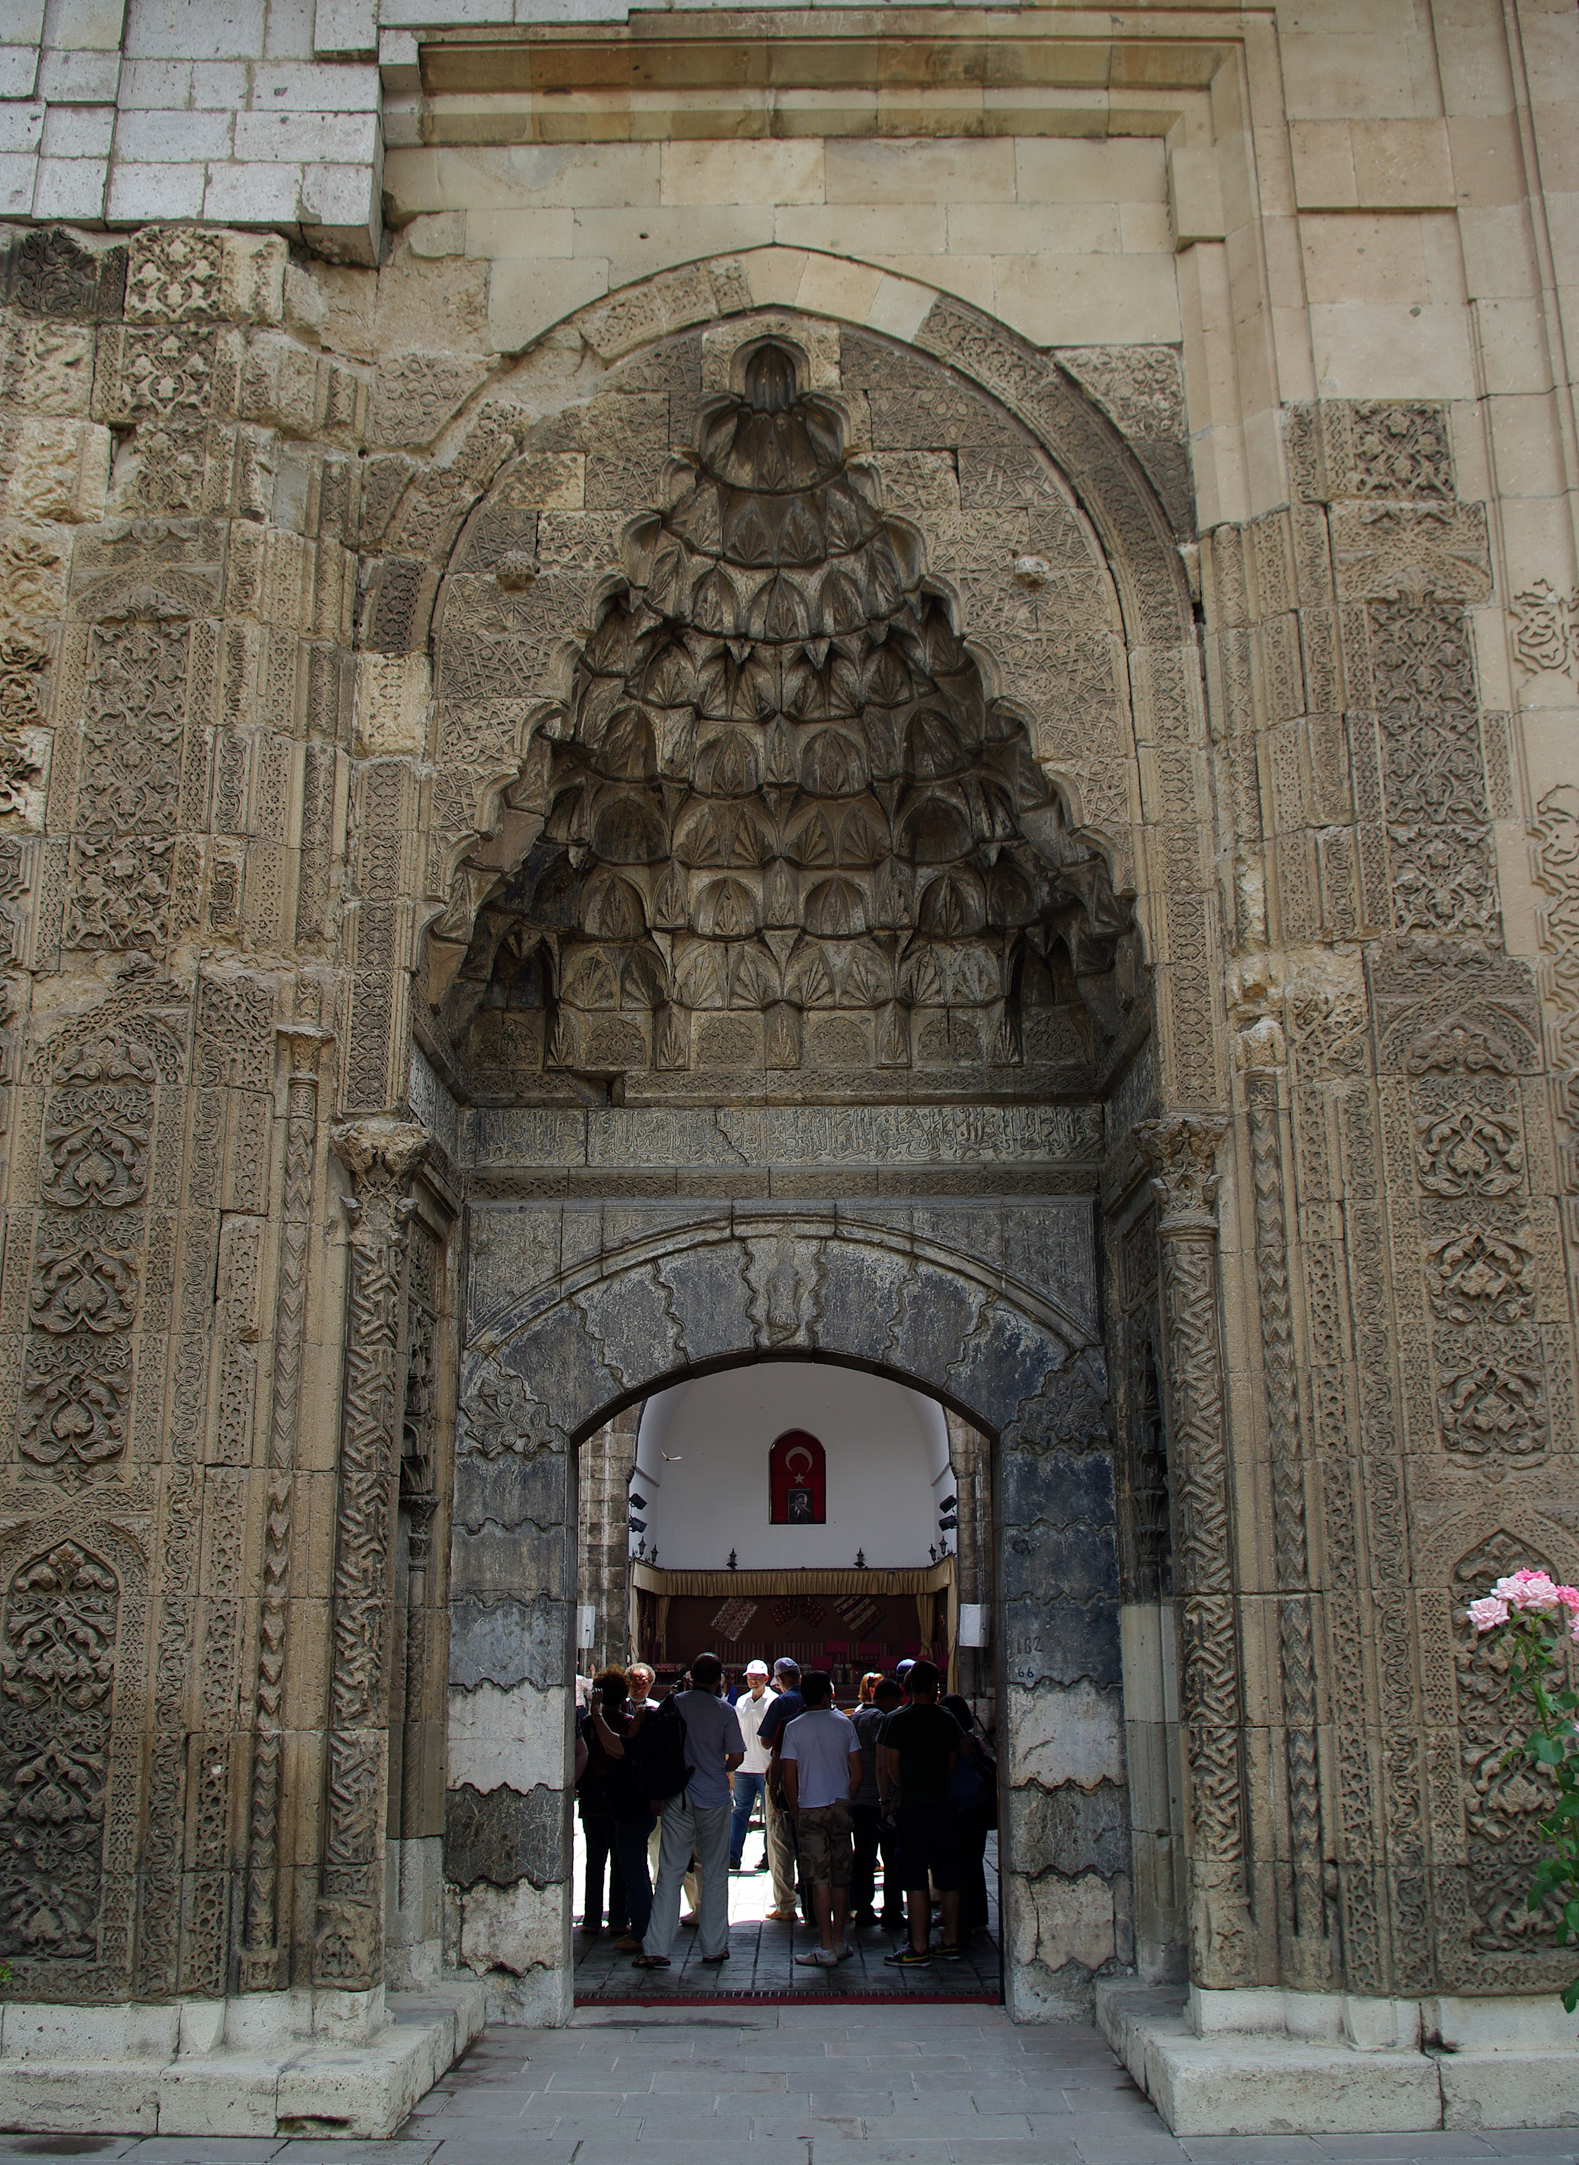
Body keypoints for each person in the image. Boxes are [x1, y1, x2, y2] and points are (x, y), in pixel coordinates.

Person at [636, 1651, 744, 1969]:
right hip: (713, 1796)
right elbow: (736, 1757)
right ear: (718, 1678)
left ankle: (656, 1947)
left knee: (669, 1872)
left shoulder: (676, 1703)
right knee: (713, 1873)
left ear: (692, 1676)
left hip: (678, 1796)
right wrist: (716, 1767)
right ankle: (713, 1947)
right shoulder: (724, 1711)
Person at [877, 1657, 964, 1968]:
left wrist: (907, 1788)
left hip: (912, 1806)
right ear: (935, 1687)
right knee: (948, 1876)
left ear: (908, 1687)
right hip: (942, 1804)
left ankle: (918, 1945)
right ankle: (951, 1940)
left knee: (914, 1878)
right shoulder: (947, 1718)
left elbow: (892, 1768)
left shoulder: (897, 1721)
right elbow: (953, 1761)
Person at [780, 1670, 863, 1968]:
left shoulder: (794, 1728)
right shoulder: (844, 1725)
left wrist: (797, 1809)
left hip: (810, 1808)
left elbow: (790, 1778)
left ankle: (825, 1945)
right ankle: (840, 1940)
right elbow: (858, 1772)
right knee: (842, 1877)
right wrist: (845, 1797)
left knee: (819, 1879)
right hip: (839, 1806)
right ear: (829, 1694)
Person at [586, 1673, 656, 1953]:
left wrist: (594, 1711)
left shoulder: (628, 1742)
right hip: (628, 1811)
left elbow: (605, 1739)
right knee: (627, 1866)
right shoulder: (633, 1733)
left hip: (616, 1809)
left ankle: (612, 1923)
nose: (635, 1715)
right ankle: (626, 1921)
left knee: (613, 1866)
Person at [575, 1667, 631, 1939]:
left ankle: (592, 1917)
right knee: (620, 1860)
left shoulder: (587, 1723)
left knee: (594, 1861)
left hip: (593, 1800)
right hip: (621, 1801)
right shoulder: (629, 1723)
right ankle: (619, 1917)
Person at [849, 1673, 905, 1930]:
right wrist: (887, 1799)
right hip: (880, 1799)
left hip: (859, 1798)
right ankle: (892, 1911)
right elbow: (884, 1763)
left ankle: (862, 1908)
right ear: (892, 1698)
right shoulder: (883, 1720)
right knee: (891, 1858)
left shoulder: (856, 1716)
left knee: (863, 1855)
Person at [942, 1692, 996, 1940]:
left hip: (962, 1807)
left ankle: (962, 1918)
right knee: (974, 1863)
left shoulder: (956, 1740)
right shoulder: (975, 1740)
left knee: (962, 1864)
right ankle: (977, 1916)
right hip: (978, 1804)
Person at [756, 1657, 805, 1922]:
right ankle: (813, 1902)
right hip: (810, 1779)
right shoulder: (815, 1698)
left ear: (781, 1680)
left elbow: (767, 1743)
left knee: (780, 1843)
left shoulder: (782, 1702)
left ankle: (786, 1904)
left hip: (783, 1777)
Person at [729, 1659, 775, 1871]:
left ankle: (769, 1856)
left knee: (770, 1817)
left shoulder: (774, 1701)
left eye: (758, 1677)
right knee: (740, 1812)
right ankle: (732, 1855)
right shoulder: (740, 1702)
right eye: (750, 1677)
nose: (753, 1680)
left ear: (766, 1678)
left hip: (766, 1767)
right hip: (744, 1768)